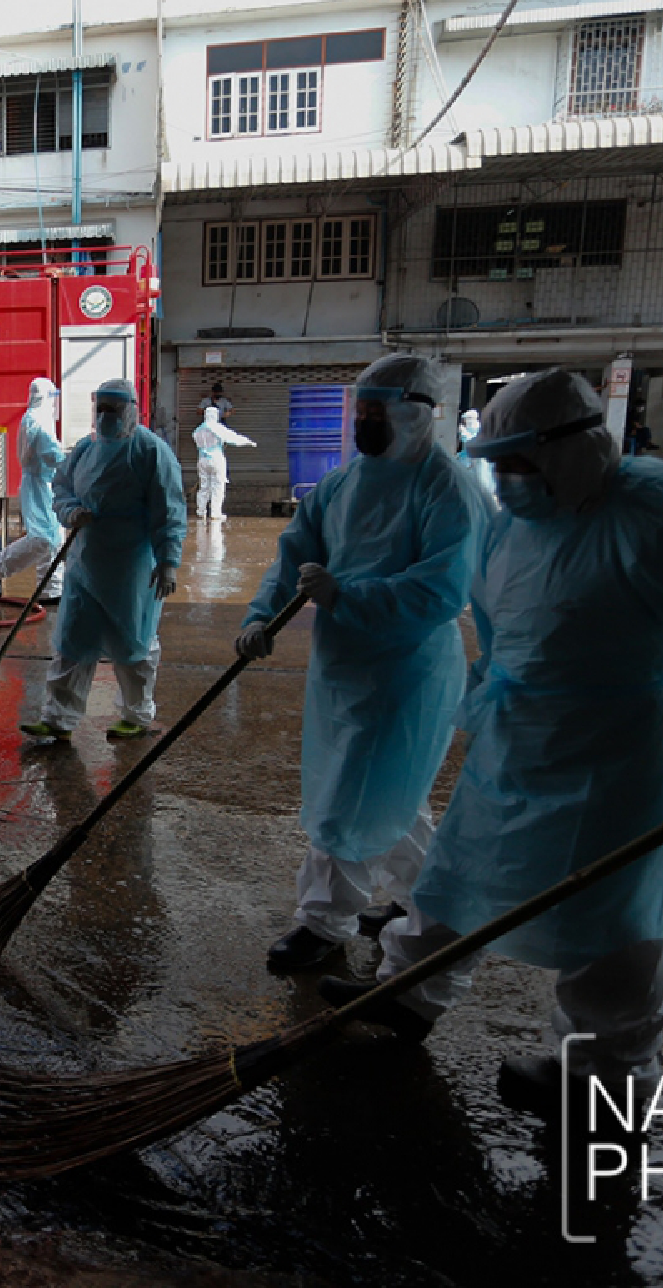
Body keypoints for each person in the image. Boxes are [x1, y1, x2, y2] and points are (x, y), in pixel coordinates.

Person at [318, 369, 663, 1111]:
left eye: (517, 462)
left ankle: (604, 1071)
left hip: (619, 750)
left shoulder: (658, 515)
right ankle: (405, 991)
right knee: (457, 871)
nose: (505, 478)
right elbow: (497, 610)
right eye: (498, 462)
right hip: (519, 734)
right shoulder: (518, 517)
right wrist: (491, 681)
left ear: (572, 452)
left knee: (610, 919)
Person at [237, 353, 490, 973]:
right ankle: (427, 900)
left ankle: (324, 924)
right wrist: (259, 616)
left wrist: (349, 595)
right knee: (390, 798)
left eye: (380, 411)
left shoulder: (447, 488)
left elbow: (440, 589)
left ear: (419, 412)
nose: (366, 422)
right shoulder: (342, 484)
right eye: (363, 409)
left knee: (348, 800)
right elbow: (295, 551)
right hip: (344, 667)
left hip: (405, 672)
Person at [19, 378, 185, 742]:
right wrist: (71, 510)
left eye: (114, 409)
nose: (106, 416)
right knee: (71, 641)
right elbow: (60, 487)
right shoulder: (85, 449)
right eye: (101, 409)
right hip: (85, 563)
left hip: (130, 567)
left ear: (132, 409)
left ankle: (136, 715)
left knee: (134, 643)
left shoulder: (150, 451)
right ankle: (57, 718)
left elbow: (168, 509)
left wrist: (168, 560)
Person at [0, 378, 66, 603]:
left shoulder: (35, 419)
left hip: (44, 484)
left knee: (55, 538)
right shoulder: (37, 422)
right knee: (43, 538)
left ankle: (51, 590)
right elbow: (53, 455)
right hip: (39, 486)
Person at [192, 397, 255, 521]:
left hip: (202, 460)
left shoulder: (198, 430)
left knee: (204, 486)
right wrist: (248, 442)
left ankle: (201, 511)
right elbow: (233, 438)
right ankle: (215, 513)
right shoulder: (217, 428)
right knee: (218, 485)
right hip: (216, 458)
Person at [455, 409, 497, 506]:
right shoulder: (476, 427)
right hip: (471, 457)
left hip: (476, 458)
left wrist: (464, 434)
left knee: (479, 478)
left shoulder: (474, 428)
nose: (466, 421)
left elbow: (471, 442)